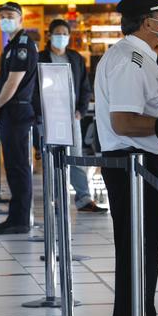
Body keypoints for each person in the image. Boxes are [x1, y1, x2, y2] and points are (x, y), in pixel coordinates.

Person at [94, 0, 158, 316]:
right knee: (138, 250)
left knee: (143, 250)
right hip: (133, 164)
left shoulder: (141, 56)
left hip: (141, 163)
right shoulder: (131, 59)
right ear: (147, 22)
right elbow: (125, 122)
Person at [34, 18, 107, 213]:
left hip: (71, 117)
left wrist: (80, 111)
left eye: (65, 34)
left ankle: (84, 199)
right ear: (50, 36)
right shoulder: (40, 58)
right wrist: (39, 115)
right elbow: (33, 89)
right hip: (48, 117)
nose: (61, 37)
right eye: (57, 33)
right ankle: (55, 199)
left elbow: (84, 87)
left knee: (75, 157)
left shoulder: (75, 58)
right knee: (52, 159)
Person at [0, 2, 38, 235]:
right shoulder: (11, 46)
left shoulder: (23, 46)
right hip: (10, 111)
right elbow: (3, 79)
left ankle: (20, 220)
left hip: (17, 111)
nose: (5, 20)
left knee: (18, 167)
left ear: (20, 19)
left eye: (10, 16)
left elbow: (13, 82)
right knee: (13, 167)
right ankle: (15, 216)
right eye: (2, 16)